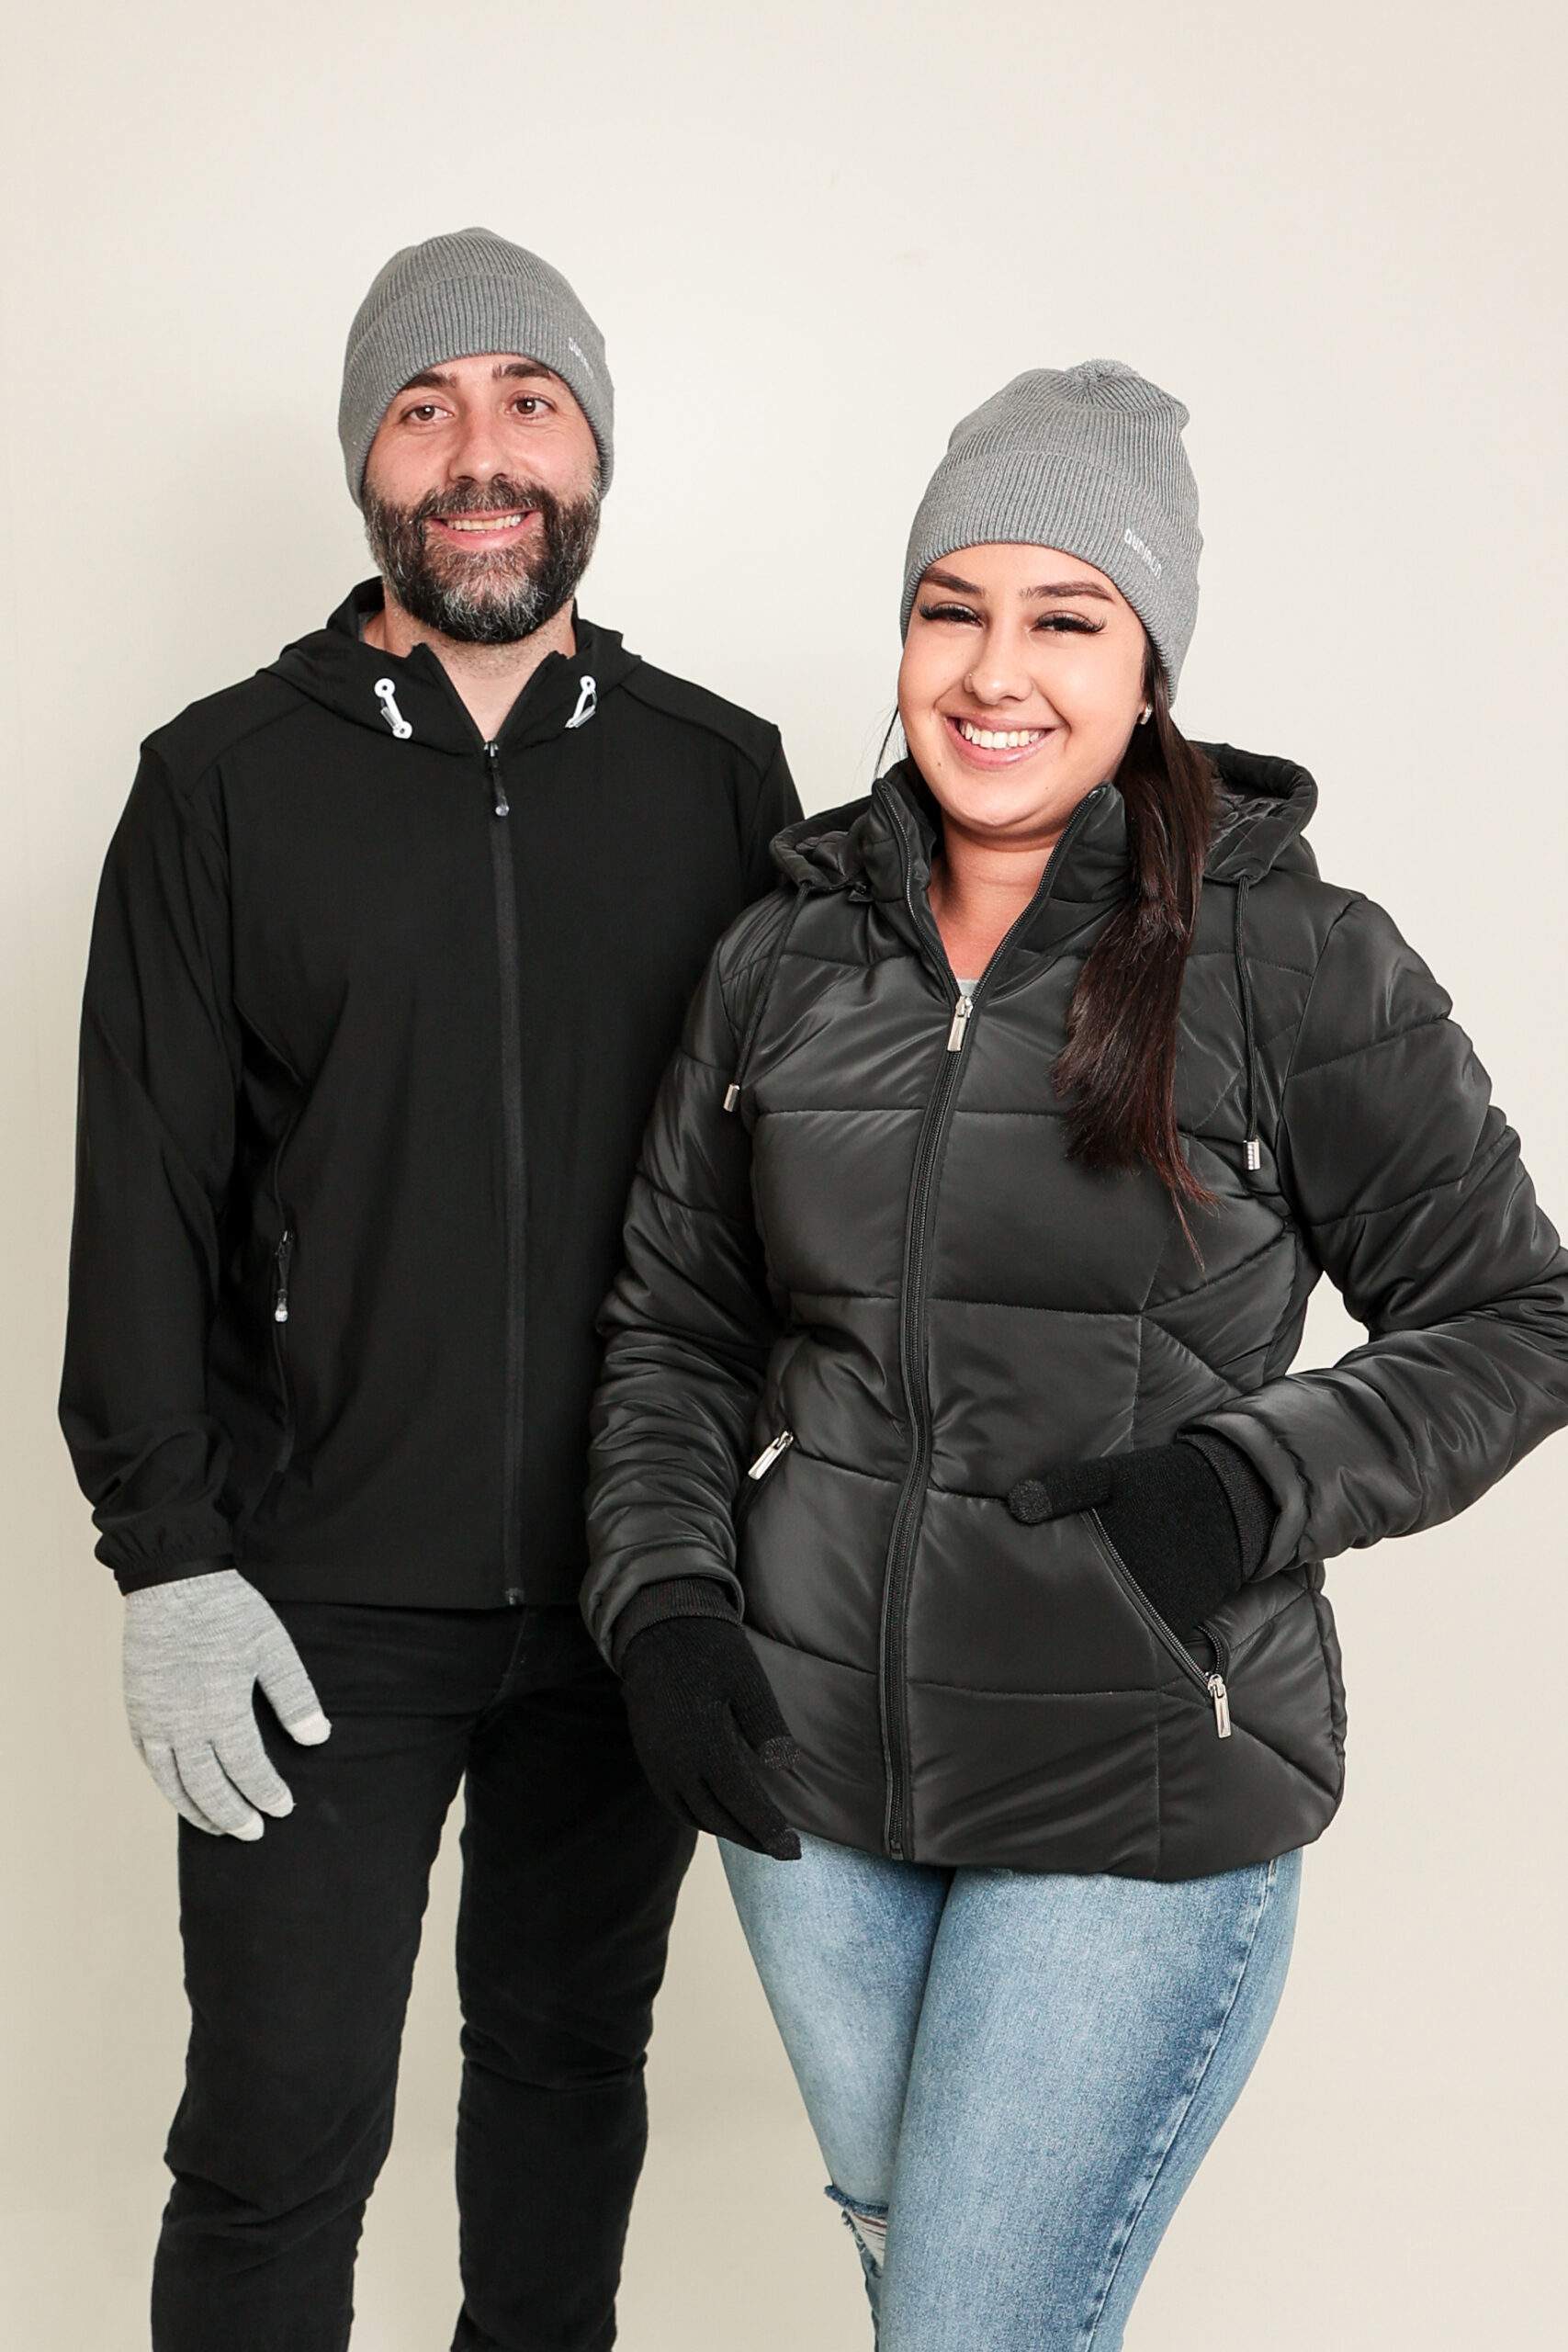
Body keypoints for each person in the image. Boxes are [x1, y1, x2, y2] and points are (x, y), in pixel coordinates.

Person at [579, 358, 1568, 2347]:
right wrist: (666, 1605)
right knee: (941, 2306)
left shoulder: (1294, 963)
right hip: (806, 1770)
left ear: (1149, 670)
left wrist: (1237, 1488)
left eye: (1066, 618)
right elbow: (677, 1327)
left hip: (1133, 1774)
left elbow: (1515, 1316)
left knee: (971, 2325)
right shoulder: (786, 955)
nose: (993, 671)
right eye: (950, 608)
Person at [57, 225, 800, 2352]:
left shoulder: (717, 775)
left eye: (526, 401)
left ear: (590, 452)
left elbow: (787, 1169)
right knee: (276, 2132)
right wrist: (169, 1553)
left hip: (627, 1581)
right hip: (308, 1606)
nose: (480, 453)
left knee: (566, 2082)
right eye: (424, 406)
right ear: (368, 463)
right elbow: (143, 1189)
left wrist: (752, 1513)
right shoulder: (218, 783)